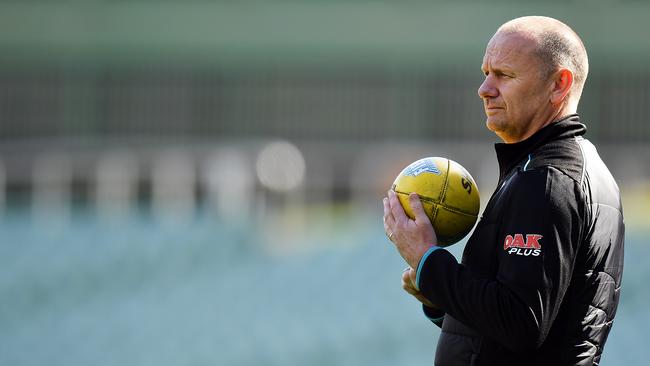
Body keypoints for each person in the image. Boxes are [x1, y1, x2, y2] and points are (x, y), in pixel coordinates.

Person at [382, 16, 624, 365]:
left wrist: (428, 261)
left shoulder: (546, 179)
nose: (485, 89)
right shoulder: (580, 167)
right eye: (485, 73)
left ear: (559, 84)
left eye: (505, 75)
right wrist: (438, 296)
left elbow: (521, 322)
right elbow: (512, 327)